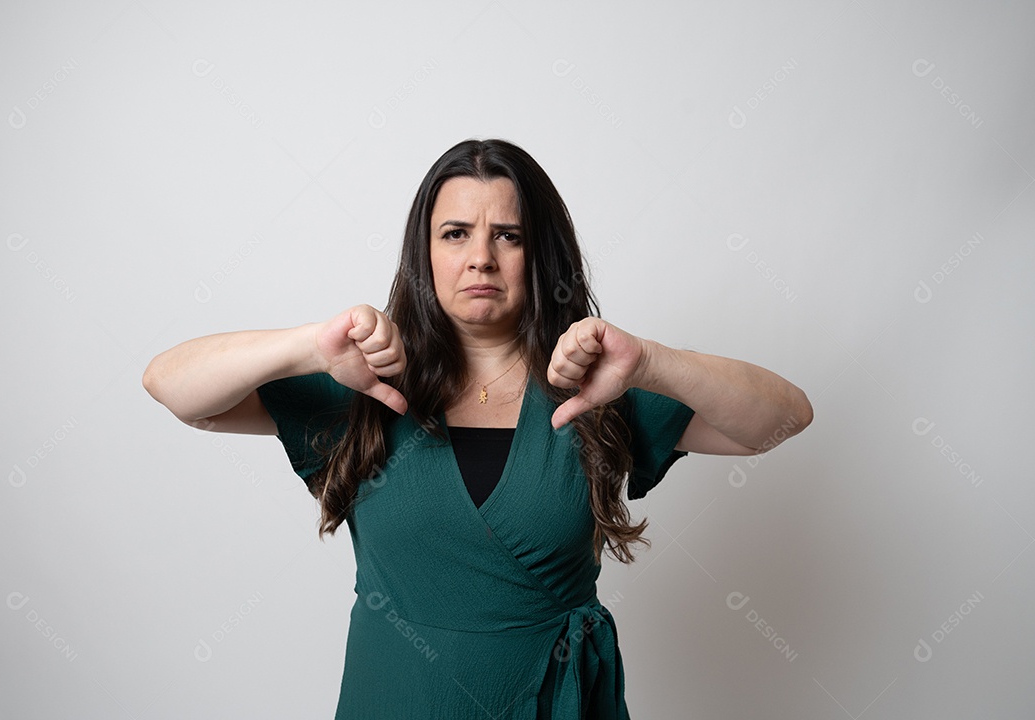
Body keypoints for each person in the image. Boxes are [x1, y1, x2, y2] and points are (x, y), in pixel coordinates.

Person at [142, 138, 813, 719]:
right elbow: (171, 385)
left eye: (509, 236)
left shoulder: (599, 388)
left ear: (540, 255)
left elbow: (782, 419)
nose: (481, 258)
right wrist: (309, 347)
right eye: (456, 233)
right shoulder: (362, 383)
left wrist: (653, 362)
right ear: (424, 253)